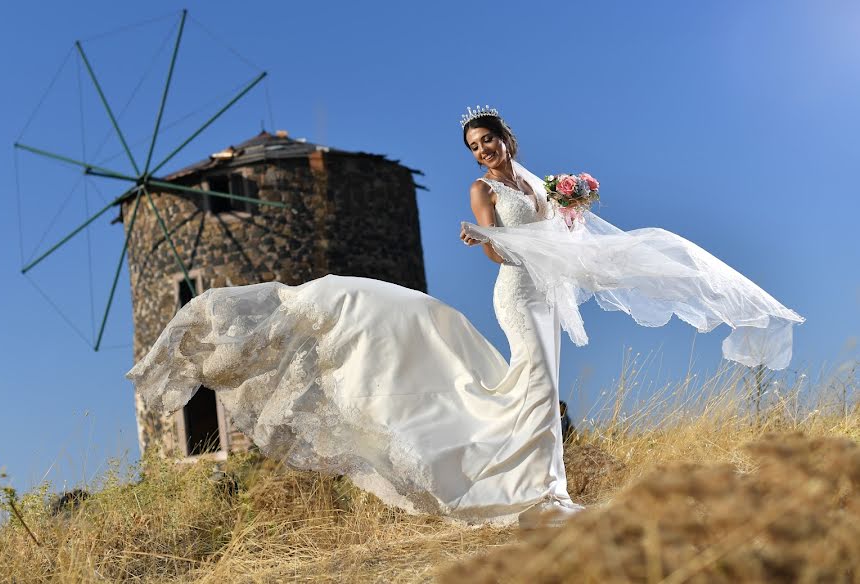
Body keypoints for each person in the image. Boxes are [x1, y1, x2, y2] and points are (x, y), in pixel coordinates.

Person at [127, 105, 803, 528]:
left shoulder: (539, 185)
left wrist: (573, 209)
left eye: (489, 141)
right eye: (475, 147)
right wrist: (492, 240)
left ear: (508, 137)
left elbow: (565, 239)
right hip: (516, 296)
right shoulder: (482, 192)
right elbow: (497, 255)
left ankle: (548, 493)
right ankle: (537, 499)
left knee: (540, 396)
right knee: (532, 389)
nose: (484, 152)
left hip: (547, 292)